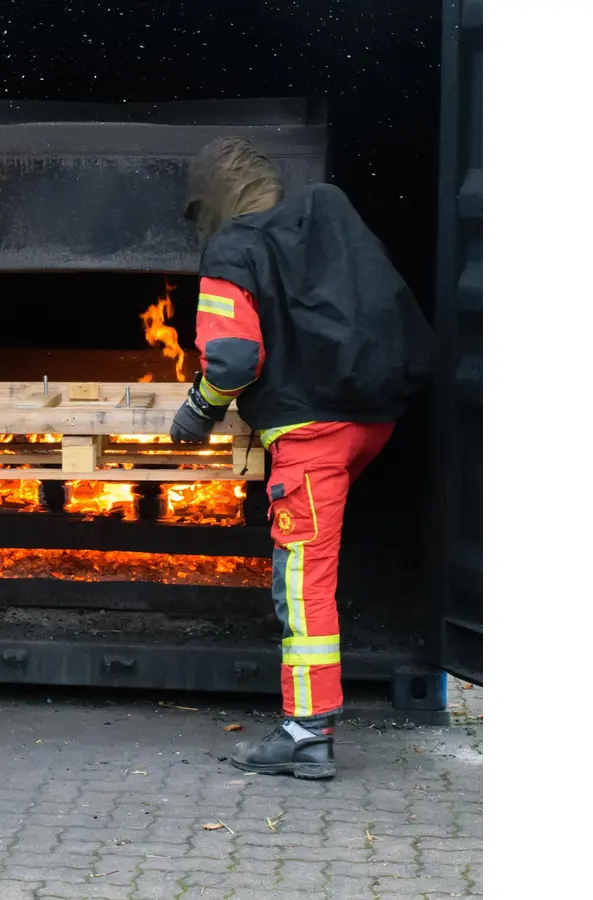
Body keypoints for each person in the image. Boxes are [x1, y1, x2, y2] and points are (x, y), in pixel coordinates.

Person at [170, 137, 437, 779]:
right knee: (313, 568)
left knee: (302, 581)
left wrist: (199, 410)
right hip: (374, 423)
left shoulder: (233, 247)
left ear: (213, 200)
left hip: (311, 438)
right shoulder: (328, 218)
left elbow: (233, 359)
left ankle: (306, 732)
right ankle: (308, 724)